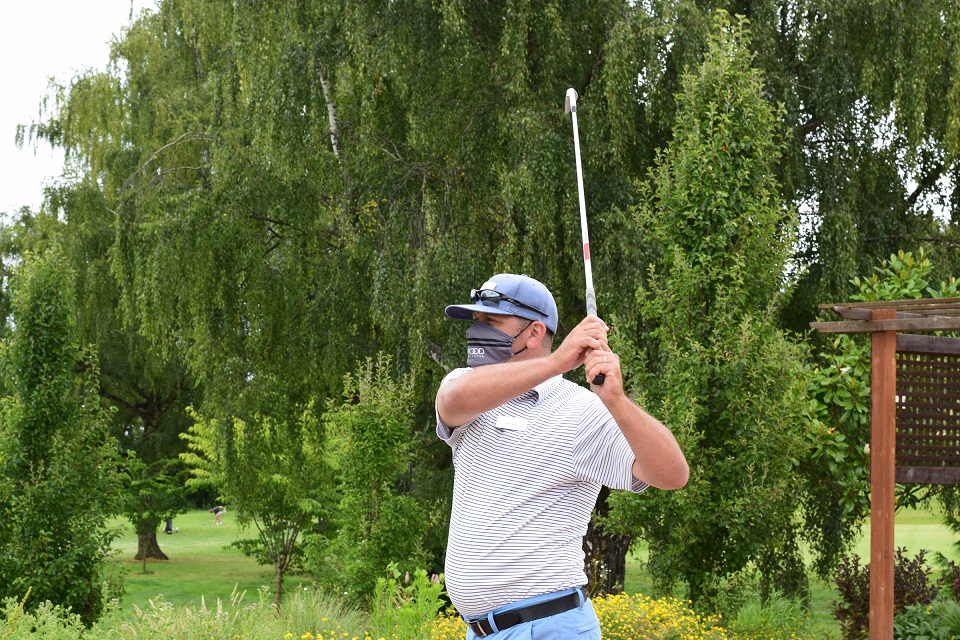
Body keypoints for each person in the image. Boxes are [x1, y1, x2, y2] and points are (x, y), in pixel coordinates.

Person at [435, 273, 689, 639]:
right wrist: (558, 362)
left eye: (491, 321)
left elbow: (672, 474)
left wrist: (616, 401)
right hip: (482, 632)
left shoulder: (581, 410)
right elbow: (453, 402)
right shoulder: (465, 385)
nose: (477, 331)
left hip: (549, 627)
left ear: (535, 333)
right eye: (476, 321)